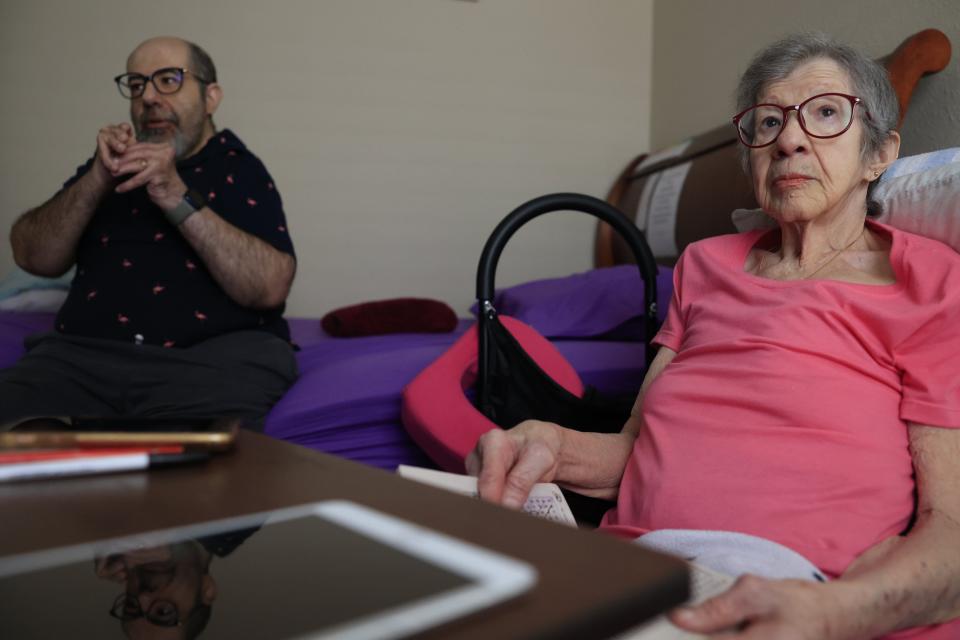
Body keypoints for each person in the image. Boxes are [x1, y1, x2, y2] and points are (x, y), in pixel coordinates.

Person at [468, 33, 960, 640]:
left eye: (827, 113)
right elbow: (639, 450)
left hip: (797, 591)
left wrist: (836, 613)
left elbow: (951, 527)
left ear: (879, 154)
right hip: (634, 566)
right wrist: (552, 446)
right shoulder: (704, 267)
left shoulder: (931, 282)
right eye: (768, 121)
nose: (789, 138)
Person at [1, 36, 297, 429]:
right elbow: (32, 256)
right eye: (138, 84)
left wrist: (174, 194)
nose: (150, 97)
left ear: (211, 97)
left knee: (197, 468)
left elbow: (269, 287)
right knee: (18, 431)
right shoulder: (108, 166)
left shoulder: (237, 168)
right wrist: (95, 180)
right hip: (83, 359)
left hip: (211, 362)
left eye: (170, 80)